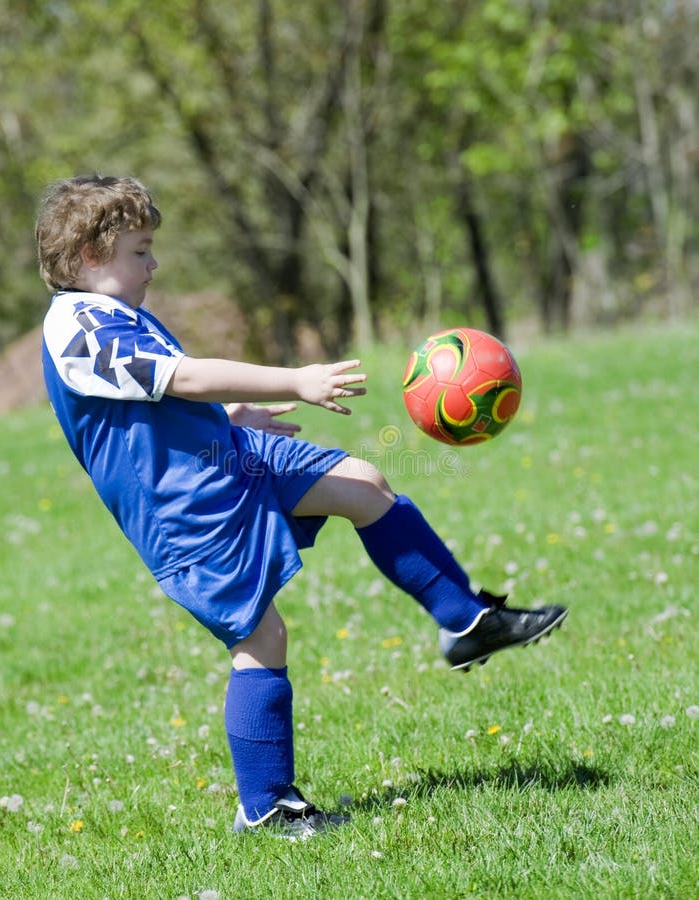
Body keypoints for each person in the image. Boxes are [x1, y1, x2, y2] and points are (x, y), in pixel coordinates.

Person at [37, 175, 567, 840]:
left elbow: (152, 406)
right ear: (90, 253)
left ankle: (466, 620)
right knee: (262, 639)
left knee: (363, 483)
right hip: (183, 509)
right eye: (141, 251)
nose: (154, 264)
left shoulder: (116, 315)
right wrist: (295, 380)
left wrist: (230, 416)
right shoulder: (78, 327)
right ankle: (264, 806)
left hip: (226, 455)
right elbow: (181, 378)